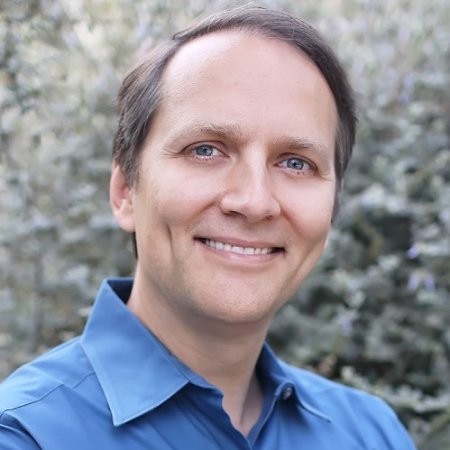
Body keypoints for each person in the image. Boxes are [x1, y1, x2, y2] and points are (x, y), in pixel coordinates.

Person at [0, 4, 417, 449]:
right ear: (125, 191)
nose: (254, 202)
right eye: (206, 150)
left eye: (296, 163)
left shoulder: (373, 434)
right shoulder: (27, 434)